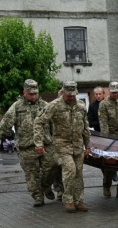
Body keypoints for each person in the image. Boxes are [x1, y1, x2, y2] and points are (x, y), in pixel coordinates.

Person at [0, 79, 58, 207]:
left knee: (52, 166)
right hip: (26, 146)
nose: (34, 96)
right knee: (32, 174)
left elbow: (54, 124)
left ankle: (45, 186)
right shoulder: (17, 106)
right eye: (31, 94)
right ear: (24, 92)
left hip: (46, 144)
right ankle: (38, 197)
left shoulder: (45, 105)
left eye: (36, 93)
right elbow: (6, 123)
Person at [34, 81, 91, 213]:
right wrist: (39, 143)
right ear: (63, 92)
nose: (71, 97)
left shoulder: (81, 105)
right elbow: (38, 122)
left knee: (79, 173)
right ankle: (69, 200)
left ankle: (79, 200)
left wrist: (88, 145)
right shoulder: (54, 105)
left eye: (73, 95)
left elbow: (85, 127)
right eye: (68, 95)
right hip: (62, 145)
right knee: (70, 171)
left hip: (77, 145)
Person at [98, 82, 118, 197]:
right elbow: (104, 123)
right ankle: (106, 185)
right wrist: (106, 141)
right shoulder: (104, 104)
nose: (115, 94)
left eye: (117, 92)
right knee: (110, 166)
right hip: (111, 137)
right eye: (113, 92)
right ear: (109, 91)